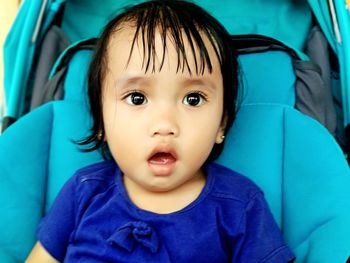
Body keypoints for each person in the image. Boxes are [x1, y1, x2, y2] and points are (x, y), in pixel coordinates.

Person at [26, 1, 295, 262]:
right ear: (101, 123)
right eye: (137, 98)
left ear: (222, 124)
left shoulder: (239, 206)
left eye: (193, 99)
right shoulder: (83, 191)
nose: (165, 125)